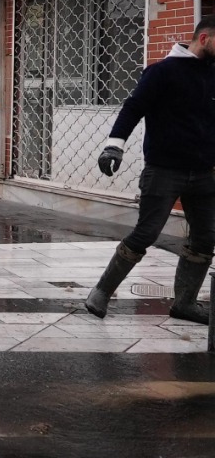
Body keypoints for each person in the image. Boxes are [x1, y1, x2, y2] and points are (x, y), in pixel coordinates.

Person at [87, 17, 215, 323]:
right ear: (205, 39)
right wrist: (114, 145)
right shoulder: (162, 72)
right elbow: (133, 108)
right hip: (164, 171)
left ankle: (185, 303)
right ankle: (101, 291)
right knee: (146, 232)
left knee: (206, 238)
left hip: (203, 173)